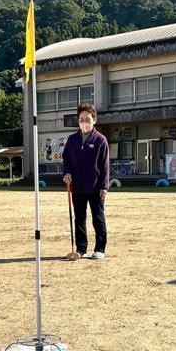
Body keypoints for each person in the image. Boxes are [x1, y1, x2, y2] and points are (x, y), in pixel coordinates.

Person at [62, 103, 110, 261]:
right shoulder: (72, 139)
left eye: (87, 119)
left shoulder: (100, 140)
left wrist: (104, 186)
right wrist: (67, 172)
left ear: (94, 120)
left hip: (96, 187)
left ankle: (100, 249)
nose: (84, 122)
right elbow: (66, 159)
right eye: (81, 119)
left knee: (98, 218)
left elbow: (105, 165)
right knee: (79, 218)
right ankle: (81, 248)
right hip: (77, 187)